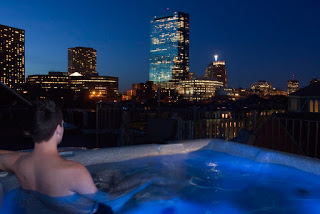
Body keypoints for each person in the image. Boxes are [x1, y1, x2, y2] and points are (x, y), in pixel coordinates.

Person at [0, 100, 149, 213]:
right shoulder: (75, 170)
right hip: (86, 211)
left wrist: (17, 154)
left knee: (109, 173)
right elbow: (108, 201)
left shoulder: (19, 163)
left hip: (43, 206)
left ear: (31, 131)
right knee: (143, 177)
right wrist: (143, 183)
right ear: (59, 129)